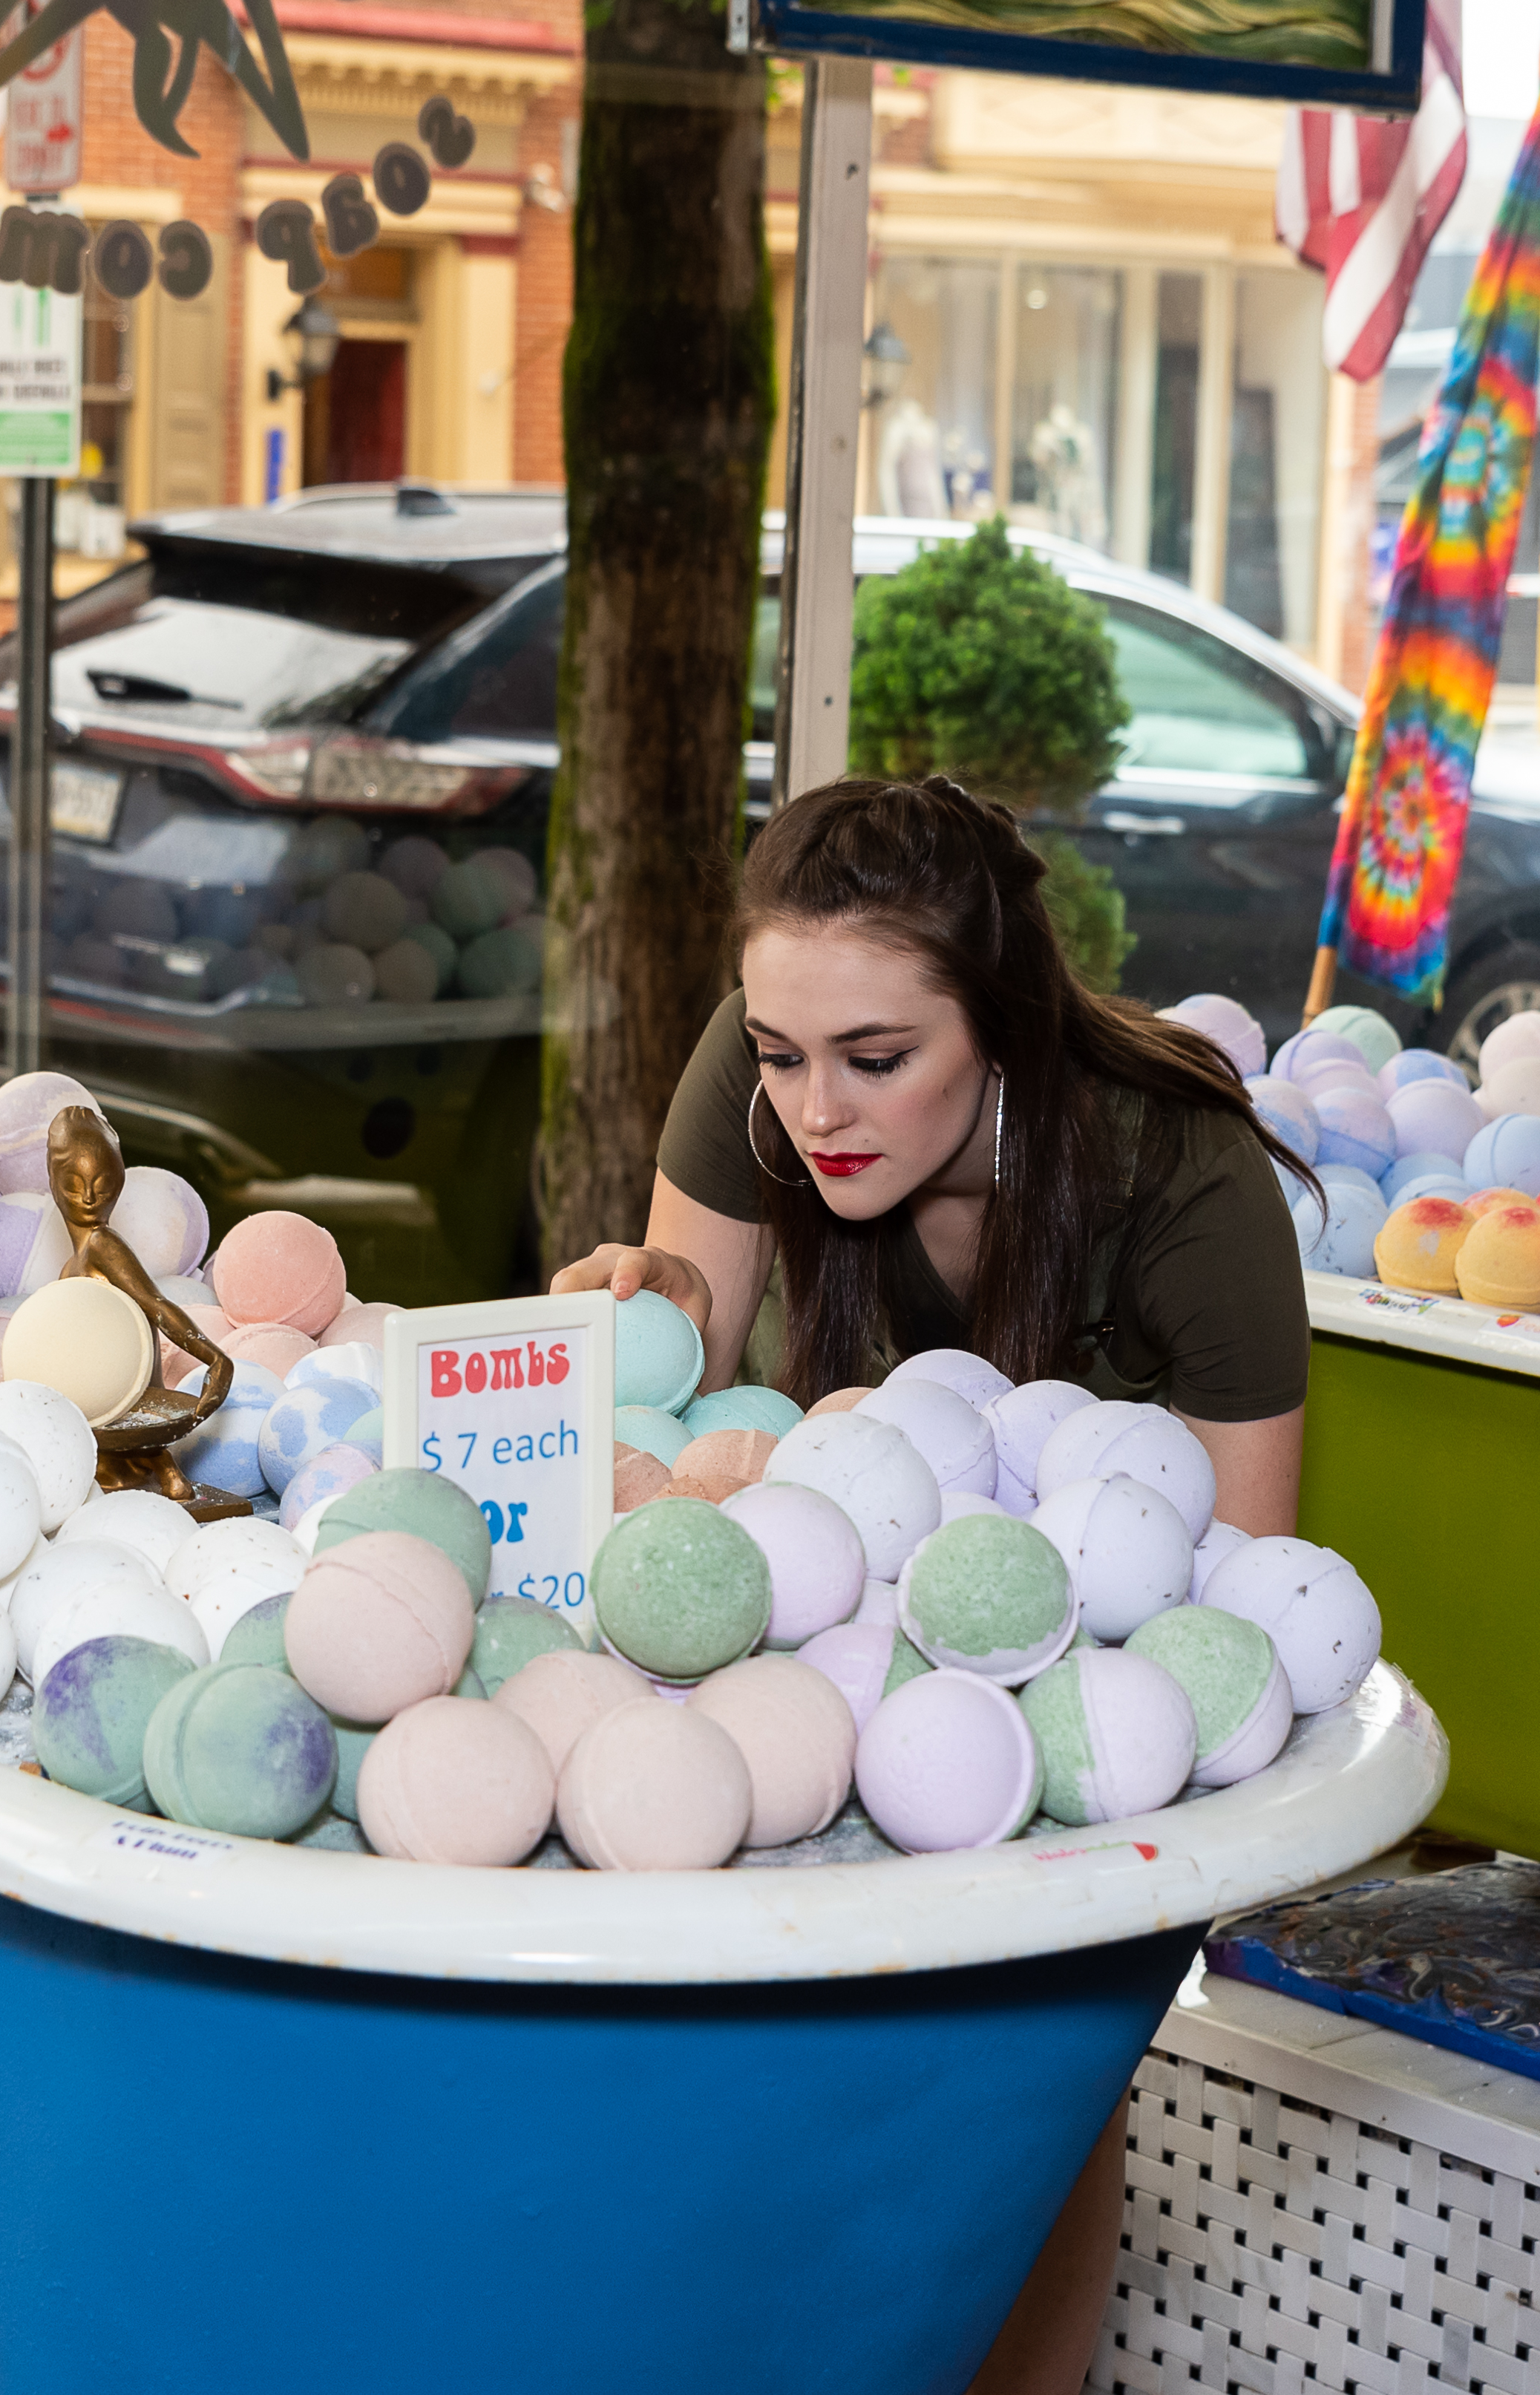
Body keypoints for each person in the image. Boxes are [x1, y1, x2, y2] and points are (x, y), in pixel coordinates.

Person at [550, 773, 1317, 2388]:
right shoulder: (764, 1078)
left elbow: (1219, 1611)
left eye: (876, 1060)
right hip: (828, 1683)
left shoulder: (1183, 1179)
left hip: (1076, 1711)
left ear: (1005, 1026)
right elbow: (683, 1368)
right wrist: (647, 1303)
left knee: (1034, 2096)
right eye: (779, 1054)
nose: (815, 1107)